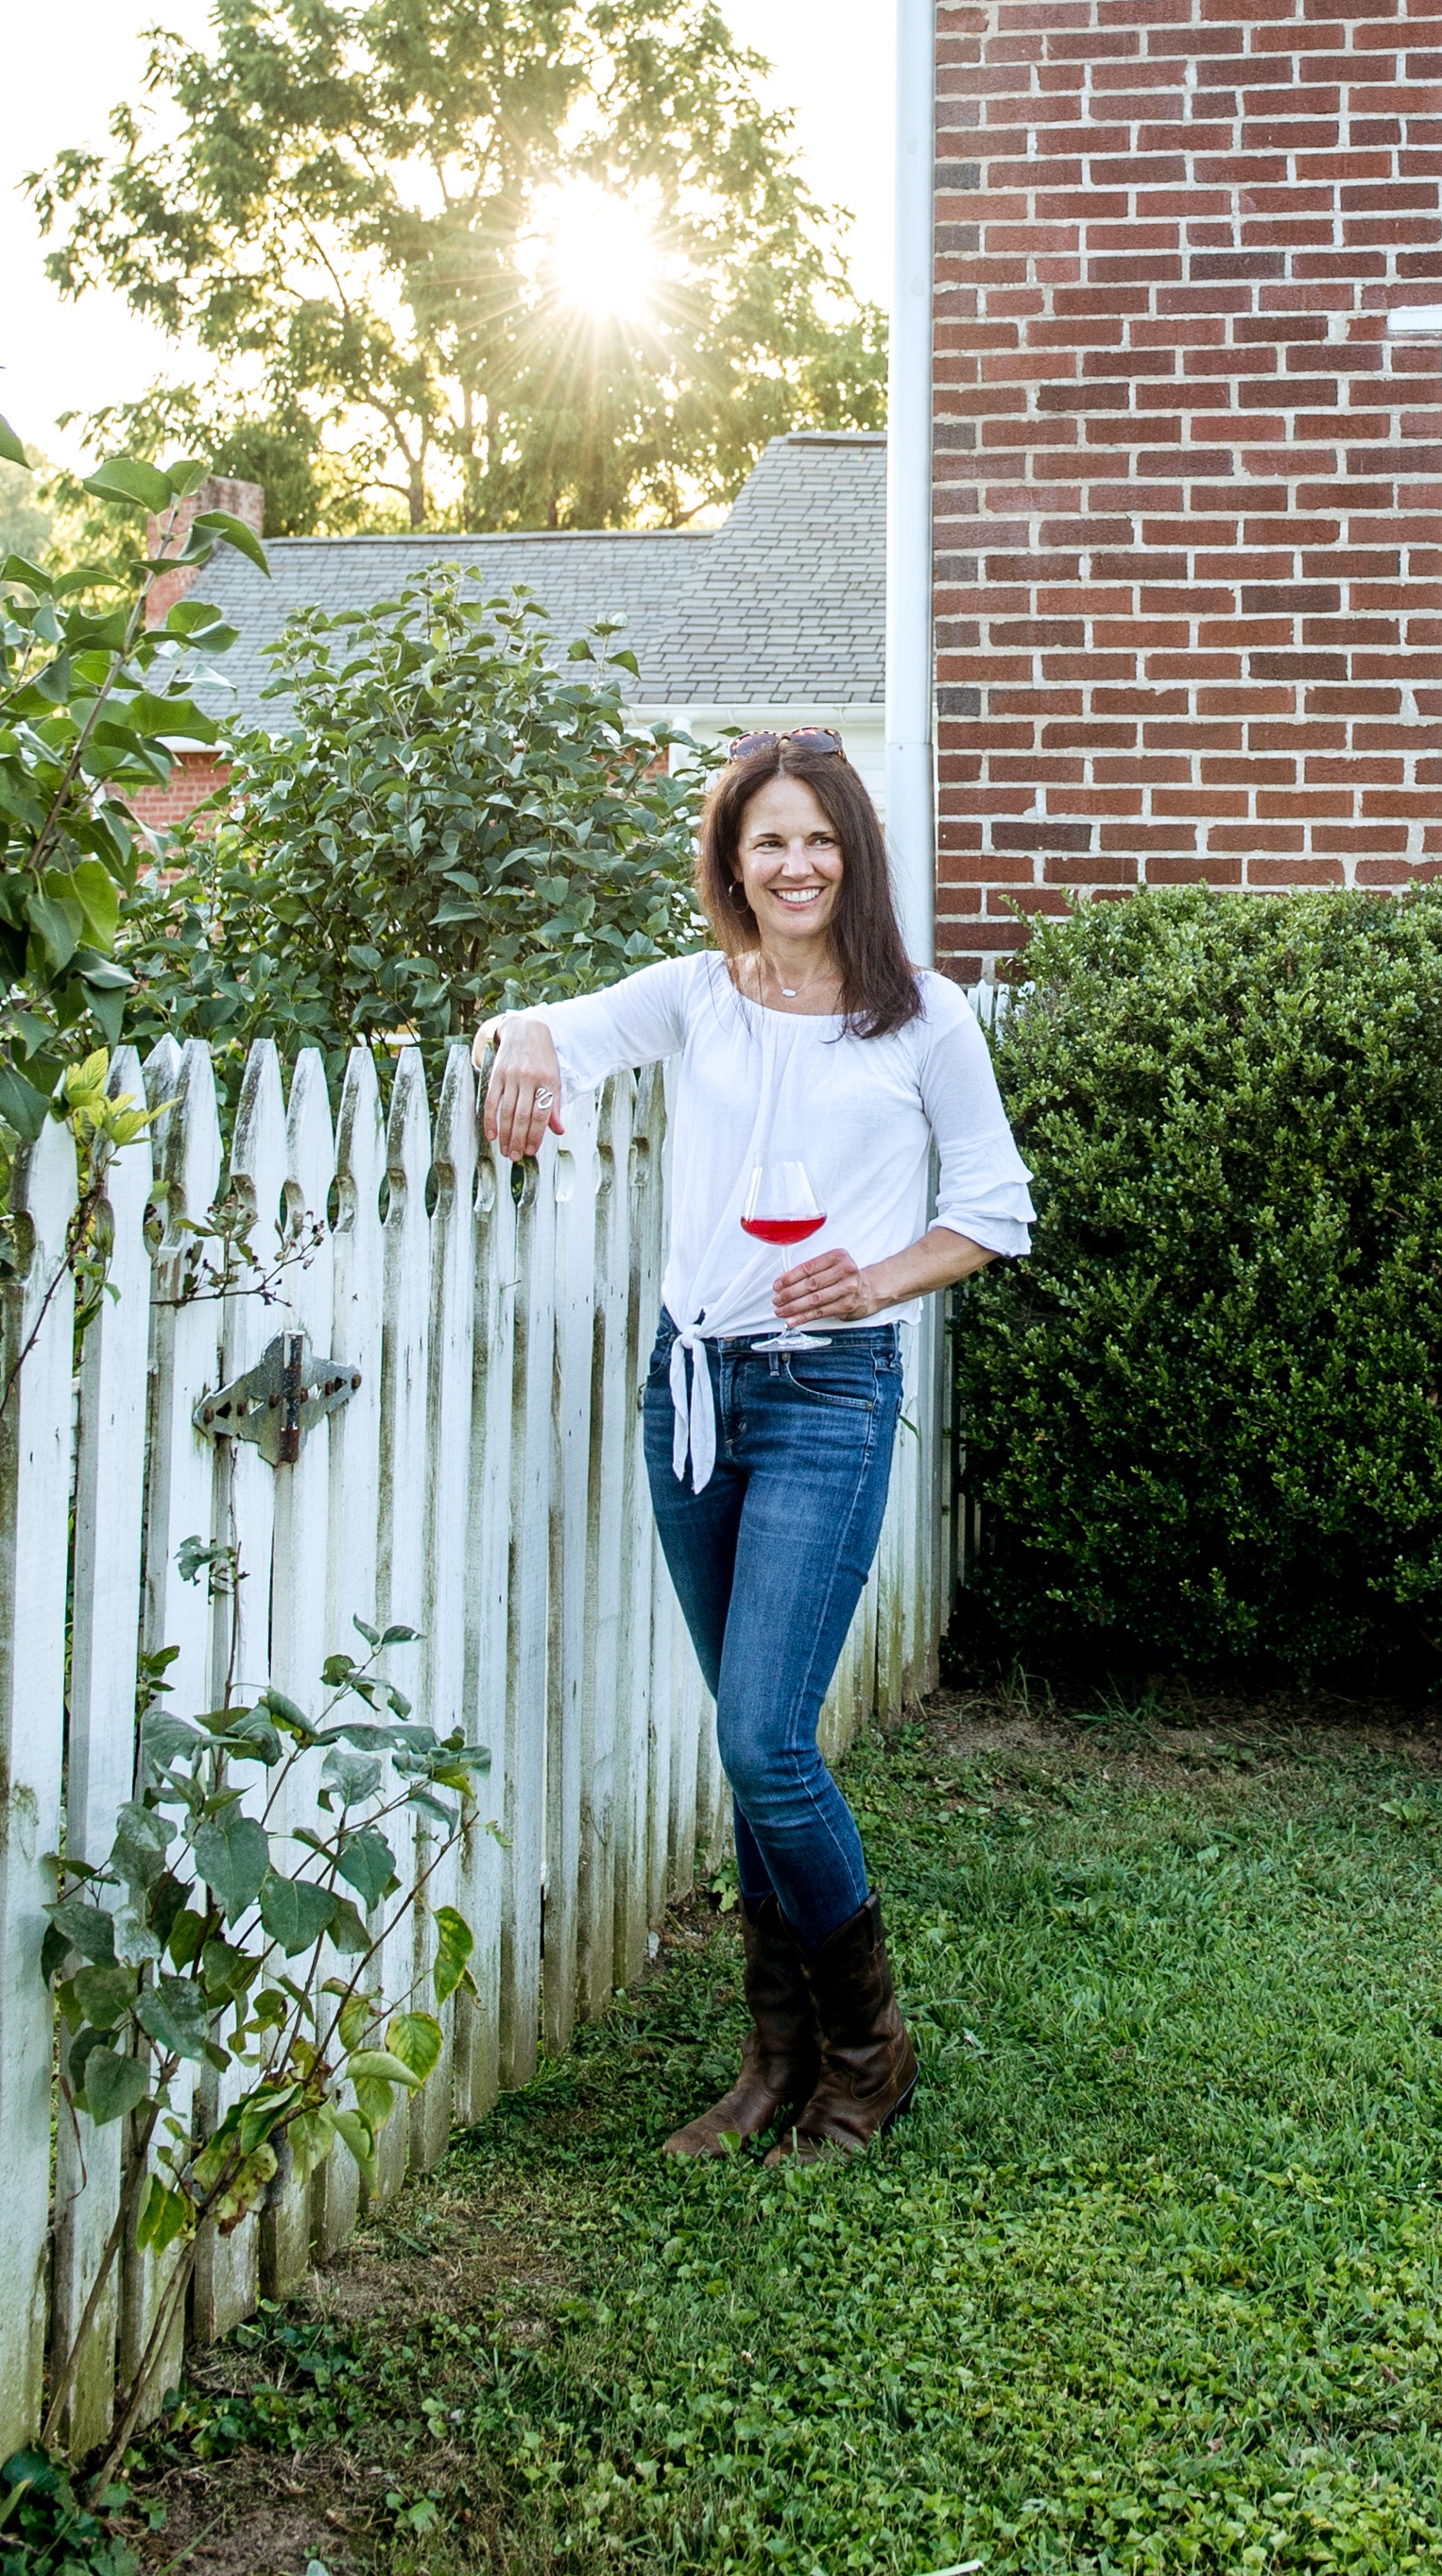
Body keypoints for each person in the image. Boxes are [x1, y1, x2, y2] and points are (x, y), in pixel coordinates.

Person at [479, 729, 1032, 2159]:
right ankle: (773, 2060)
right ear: (732, 862)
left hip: (828, 1396)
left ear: (856, 855)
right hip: (693, 1393)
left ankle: (869, 2052)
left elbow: (993, 1211)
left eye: (819, 839)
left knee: (764, 1736)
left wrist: (874, 1279)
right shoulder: (694, 997)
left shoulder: (923, 1018)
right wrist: (520, 1032)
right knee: (750, 1737)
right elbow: (543, 1035)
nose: (796, 865)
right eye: (768, 840)